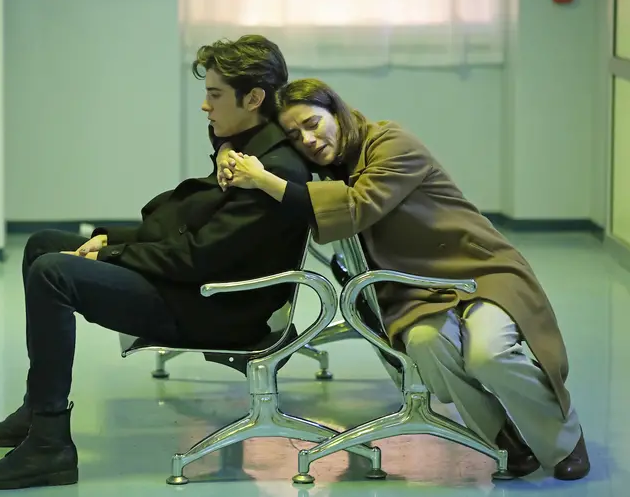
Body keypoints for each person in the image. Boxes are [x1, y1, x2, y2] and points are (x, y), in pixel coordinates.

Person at [0, 35, 311, 490]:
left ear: (254, 98)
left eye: (215, 94)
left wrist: (109, 252)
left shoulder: (269, 171)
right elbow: (192, 233)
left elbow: (195, 257)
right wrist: (111, 239)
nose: (205, 106)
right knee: (43, 245)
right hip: (194, 285)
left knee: (53, 273)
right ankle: (36, 408)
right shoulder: (247, 149)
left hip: (213, 308)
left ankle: (50, 444)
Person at [216, 78, 590, 481]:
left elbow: (357, 207)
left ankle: (564, 439)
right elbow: (247, 136)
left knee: (488, 355)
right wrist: (224, 152)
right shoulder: (329, 161)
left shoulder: (392, 143)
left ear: (336, 111)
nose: (307, 139)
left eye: (312, 123)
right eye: (294, 135)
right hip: (414, 288)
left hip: (477, 270)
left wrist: (263, 180)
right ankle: (500, 439)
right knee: (427, 344)